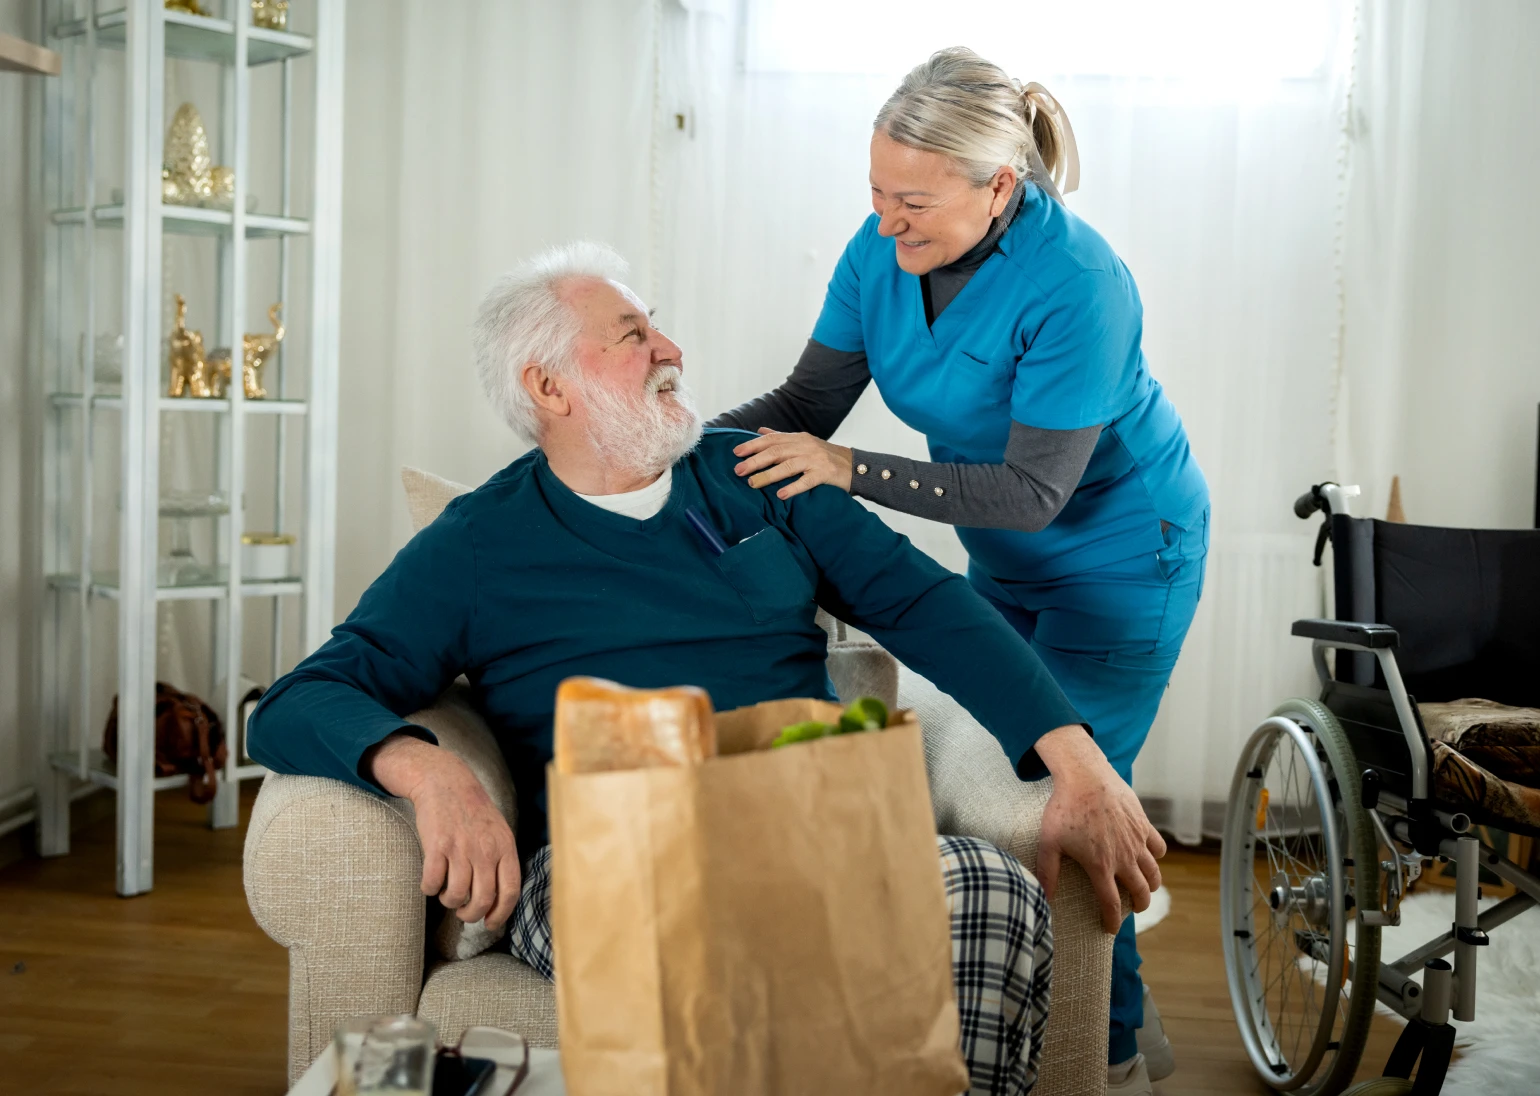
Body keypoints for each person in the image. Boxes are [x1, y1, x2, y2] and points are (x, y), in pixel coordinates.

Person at [247, 242, 1167, 1096]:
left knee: (990, 888)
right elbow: (297, 702)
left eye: (657, 325)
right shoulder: (478, 545)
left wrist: (1077, 758)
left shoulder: (759, 472)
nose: (669, 348)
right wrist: (426, 767)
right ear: (549, 387)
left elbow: (933, 609)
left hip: (808, 822)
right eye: (633, 335)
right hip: (608, 857)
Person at [710, 47, 1209, 1094]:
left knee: (1064, 810)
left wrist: (848, 470)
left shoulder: (1077, 283)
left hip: (1120, 562)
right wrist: (672, 449)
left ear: (1000, 186)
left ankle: (1103, 1061)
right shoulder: (882, 245)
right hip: (1003, 557)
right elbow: (804, 408)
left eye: (914, 201)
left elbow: (1036, 493)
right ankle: (1122, 1027)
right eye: (878, 193)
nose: (888, 221)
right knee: (990, 785)